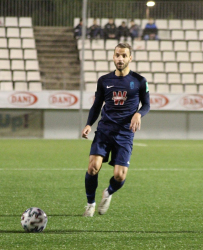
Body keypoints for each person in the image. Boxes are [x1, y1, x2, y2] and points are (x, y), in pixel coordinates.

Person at [81, 42, 150, 217]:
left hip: (125, 133)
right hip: (105, 130)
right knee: (92, 167)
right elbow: (96, 106)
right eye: (117, 55)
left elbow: (147, 105)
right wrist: (89, 124)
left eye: (124, 55)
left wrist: (139, 114)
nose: (120, 59)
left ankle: (108, 192)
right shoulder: (104, 80)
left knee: (119, 176)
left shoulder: (139, 81)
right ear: (113, 57)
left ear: (130, 58)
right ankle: (90, 203)